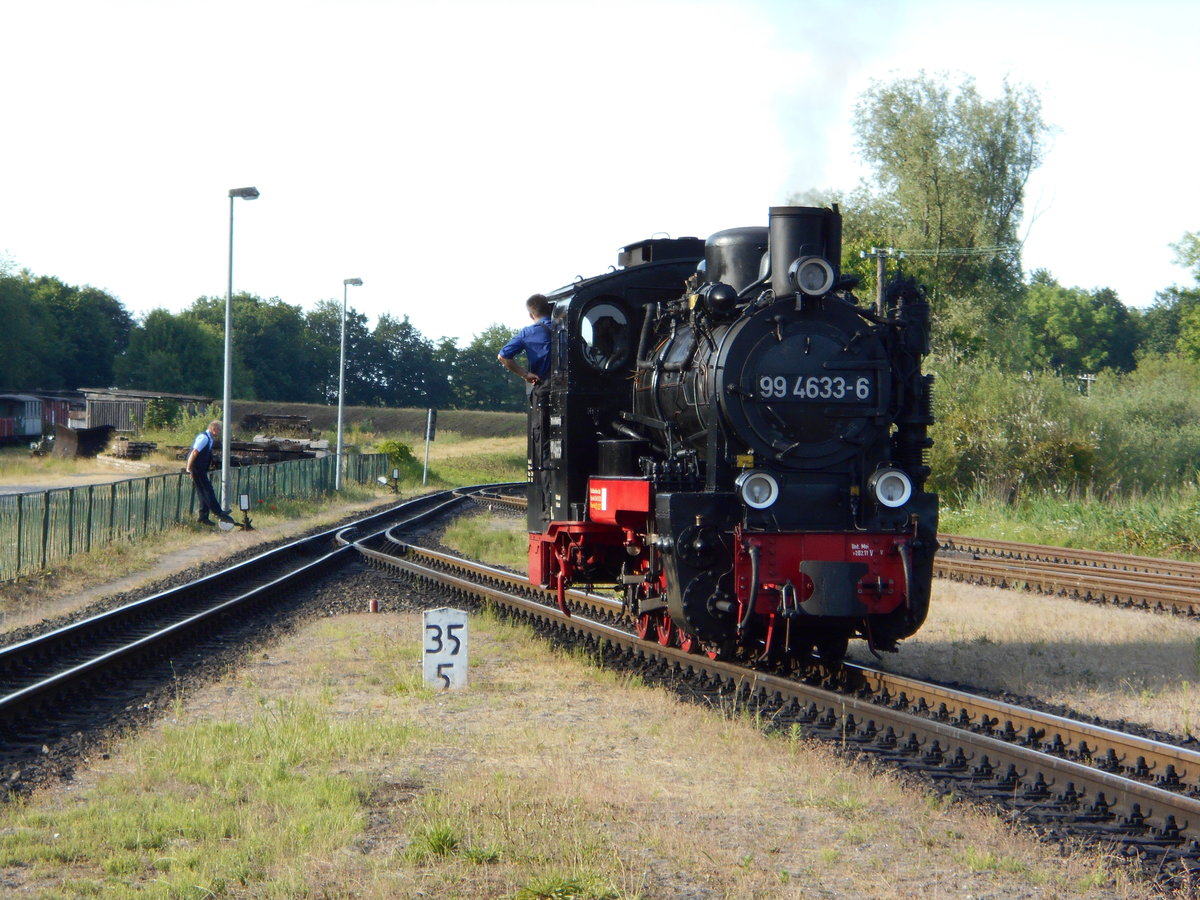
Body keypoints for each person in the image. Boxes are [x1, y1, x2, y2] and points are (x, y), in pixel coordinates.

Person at [186, 420, 234, 526]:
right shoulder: (203, 438)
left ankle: (203, 517)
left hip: (201, 469)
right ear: (213, 429)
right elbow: (194, 452)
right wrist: (189, 468)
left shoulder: (209, 439)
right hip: (197, 468)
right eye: (219, 429)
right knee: (208, 490)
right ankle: (218, 512)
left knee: (202, 492)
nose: (220, 432)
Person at [498, 293, 553, 384]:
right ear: (549, 309)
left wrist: (525, 374)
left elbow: (503, 356)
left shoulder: (528, 332)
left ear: (531, 315)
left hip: (545, 388)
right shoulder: (568, 327)